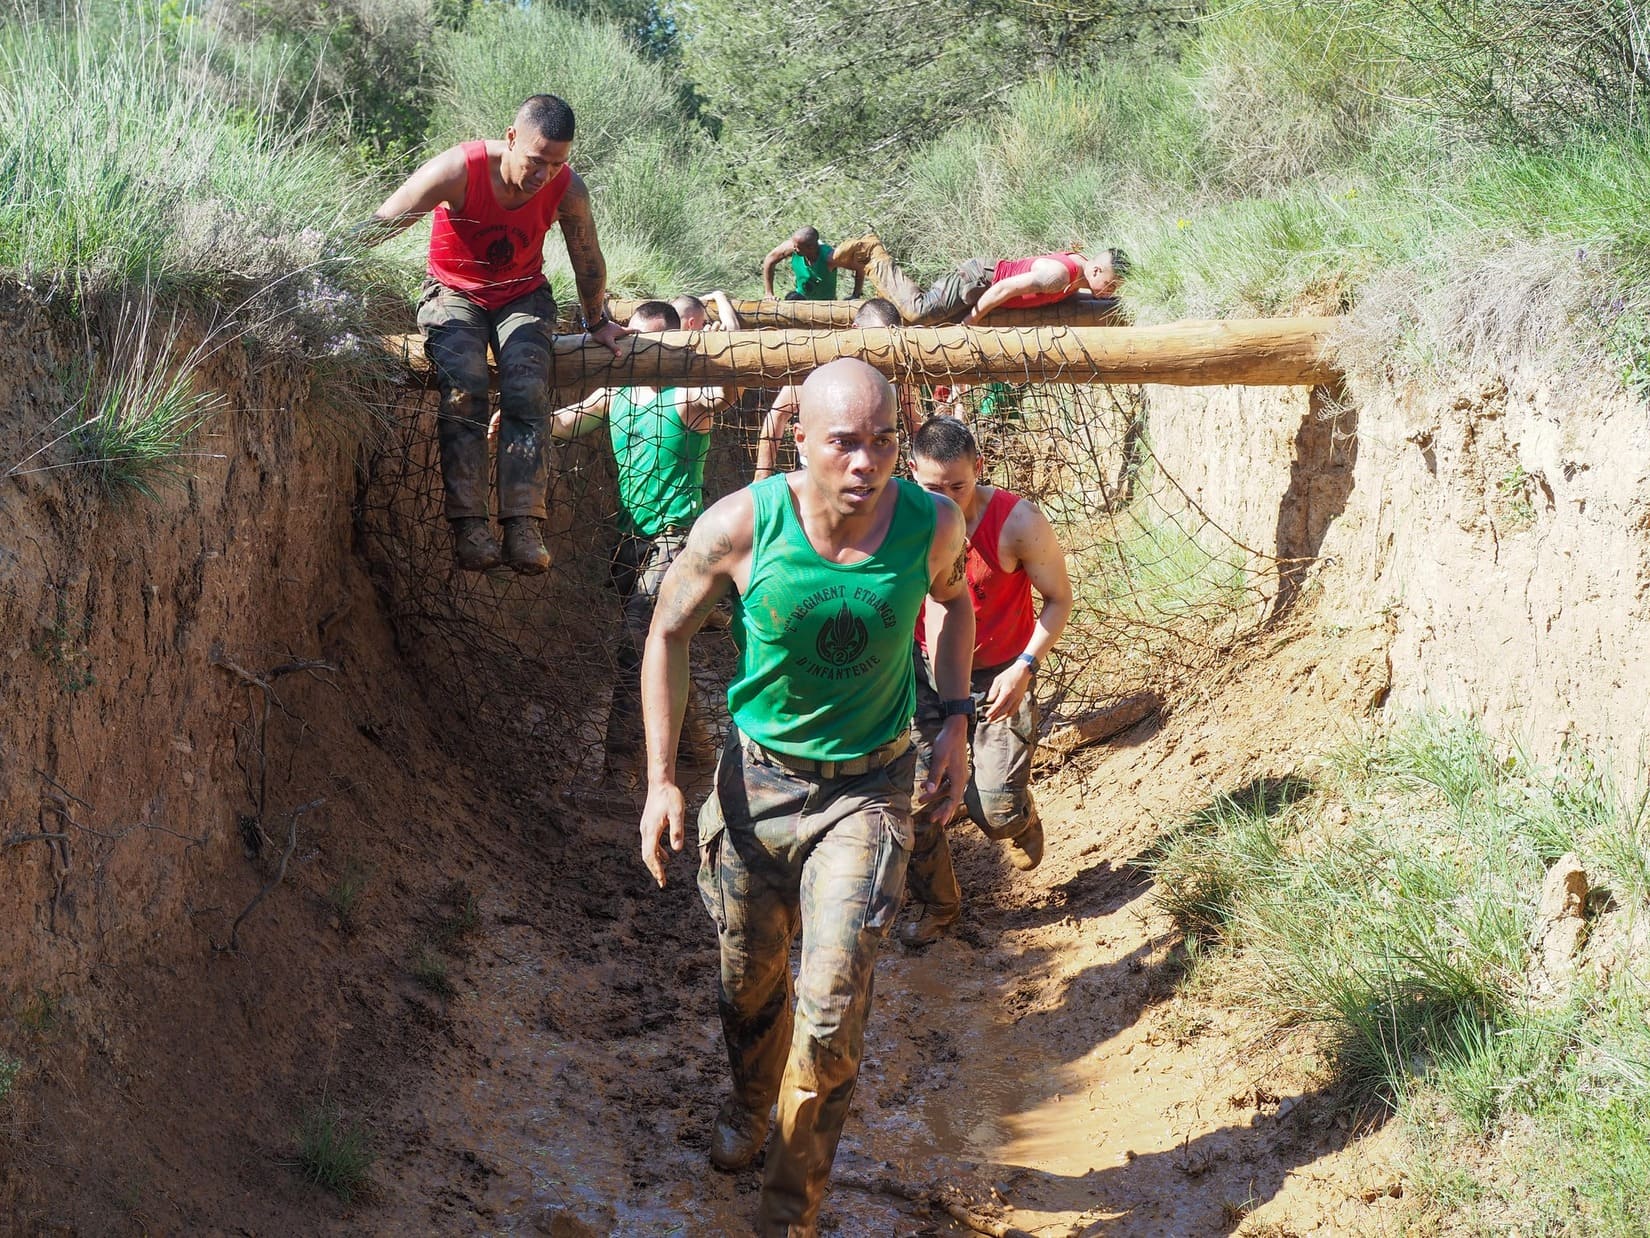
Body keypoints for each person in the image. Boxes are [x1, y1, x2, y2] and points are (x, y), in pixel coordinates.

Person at [637, 359, 974, 1236]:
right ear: (802, 442)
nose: (867, 463)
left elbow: (955, 605)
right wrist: (661, 782)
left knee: (830, 1007)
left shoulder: (930, 523)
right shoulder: (745, 523)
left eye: (885, 441)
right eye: (845, 443)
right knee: (748, 987)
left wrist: (954, 720)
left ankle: (790, 1210)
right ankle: (752, 1109)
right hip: (757, 784)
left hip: (868, 789)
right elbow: (667, 630)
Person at [360, 93, 629, 573]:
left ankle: (523, 523)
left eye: (557, 163)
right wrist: (314, 264)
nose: (543, 174)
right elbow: (381, 224)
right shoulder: (456, 170)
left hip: (522, 296)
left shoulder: (567, 188)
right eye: (536, 160)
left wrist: (597, 320)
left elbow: (587, 256)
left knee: (526, 388)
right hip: (452, 292)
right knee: (465, 386)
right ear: (510, 139)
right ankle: (469, 525)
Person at [899, 416, 1074, 947]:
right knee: (920, 804)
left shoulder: (1017, 521)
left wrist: (1025, 665)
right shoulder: (897, 518)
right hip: (924, 673)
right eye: (933, 488)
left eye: (958, 484)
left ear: (979, 467)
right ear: (911, 475)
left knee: (991, 810)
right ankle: (940, 909)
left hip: (1000, 673)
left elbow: (1060, 600)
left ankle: (1016, 817)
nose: (947, 498)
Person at [548, 300, 739, 765]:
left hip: (678, 541)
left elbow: (725, 392)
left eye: (643, 341)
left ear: (668, 344)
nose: (630, 350)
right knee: (662, 640)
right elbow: (566, 420)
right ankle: (694, 749)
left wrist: (727, 320)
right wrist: (521, 427)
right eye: (627, 338)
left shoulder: (686, 399)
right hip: (630, 539)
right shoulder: (616, 395)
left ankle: (618, 762)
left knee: (637, 638)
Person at [752, 298, 918, 480]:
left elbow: (914, 422)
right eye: (875, 339)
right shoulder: (822, 361)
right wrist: (762, 476)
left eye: (888, 341)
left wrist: (922, 467)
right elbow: (778, 414)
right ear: (855, 330)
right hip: (818, 477)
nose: (882, 349)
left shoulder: (897, 369)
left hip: (876, 475)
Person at [831, 233, 1129, 326]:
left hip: (983, 285)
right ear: (1098, 271)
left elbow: (1071, 294)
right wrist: (972, 319)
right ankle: (871, 253)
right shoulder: (1060, 273)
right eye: (1112, 286)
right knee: (917, 311)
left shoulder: (1079, 274)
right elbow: (1005, 287)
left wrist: (1103, 299)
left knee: (921, 323)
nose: (1110, 292)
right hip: (977, 281)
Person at [761, 226, 866, 301]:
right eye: (794, 245)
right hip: (801, 300)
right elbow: (769, 259)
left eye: (798, 247)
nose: (794, 249)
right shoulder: (792, 247)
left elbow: (860, 267)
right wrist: (768, 293)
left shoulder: (830, 258)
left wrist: (855, 295)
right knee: (791, 298)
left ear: (810, 247)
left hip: (826, 305)